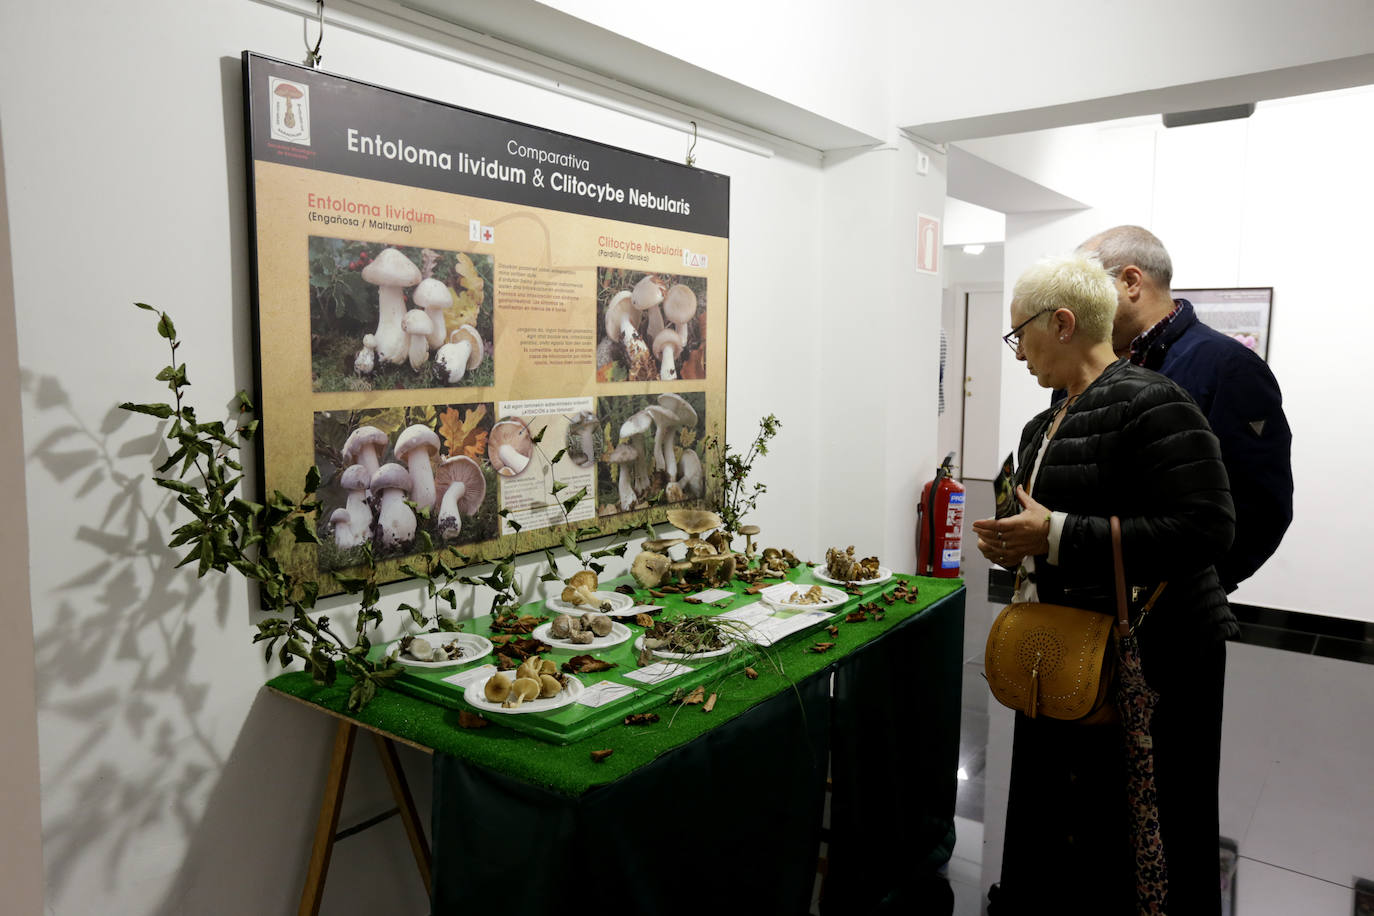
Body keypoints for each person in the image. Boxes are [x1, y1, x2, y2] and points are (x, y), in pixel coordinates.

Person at [972, 253, 1236, 915]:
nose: (1018, 353)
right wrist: (1016, 545)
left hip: (1153, 661)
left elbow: (1208, 527)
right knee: (1064, 823)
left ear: (1061, 323)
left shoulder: (1156, 404)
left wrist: (1057, 535)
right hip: (1067, 658)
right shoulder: (1042, 425)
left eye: (1018, 335)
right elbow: (1034, 517)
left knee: (1136, 829)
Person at [1077, 225, 1292, 592]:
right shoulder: (1090, 362)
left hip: (1177, 616)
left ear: (1131, 282)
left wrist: (1191, 589)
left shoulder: (1229, 367)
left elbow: (1262, 508)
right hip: (1092, 596)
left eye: (1087, 291)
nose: (1079, 309)